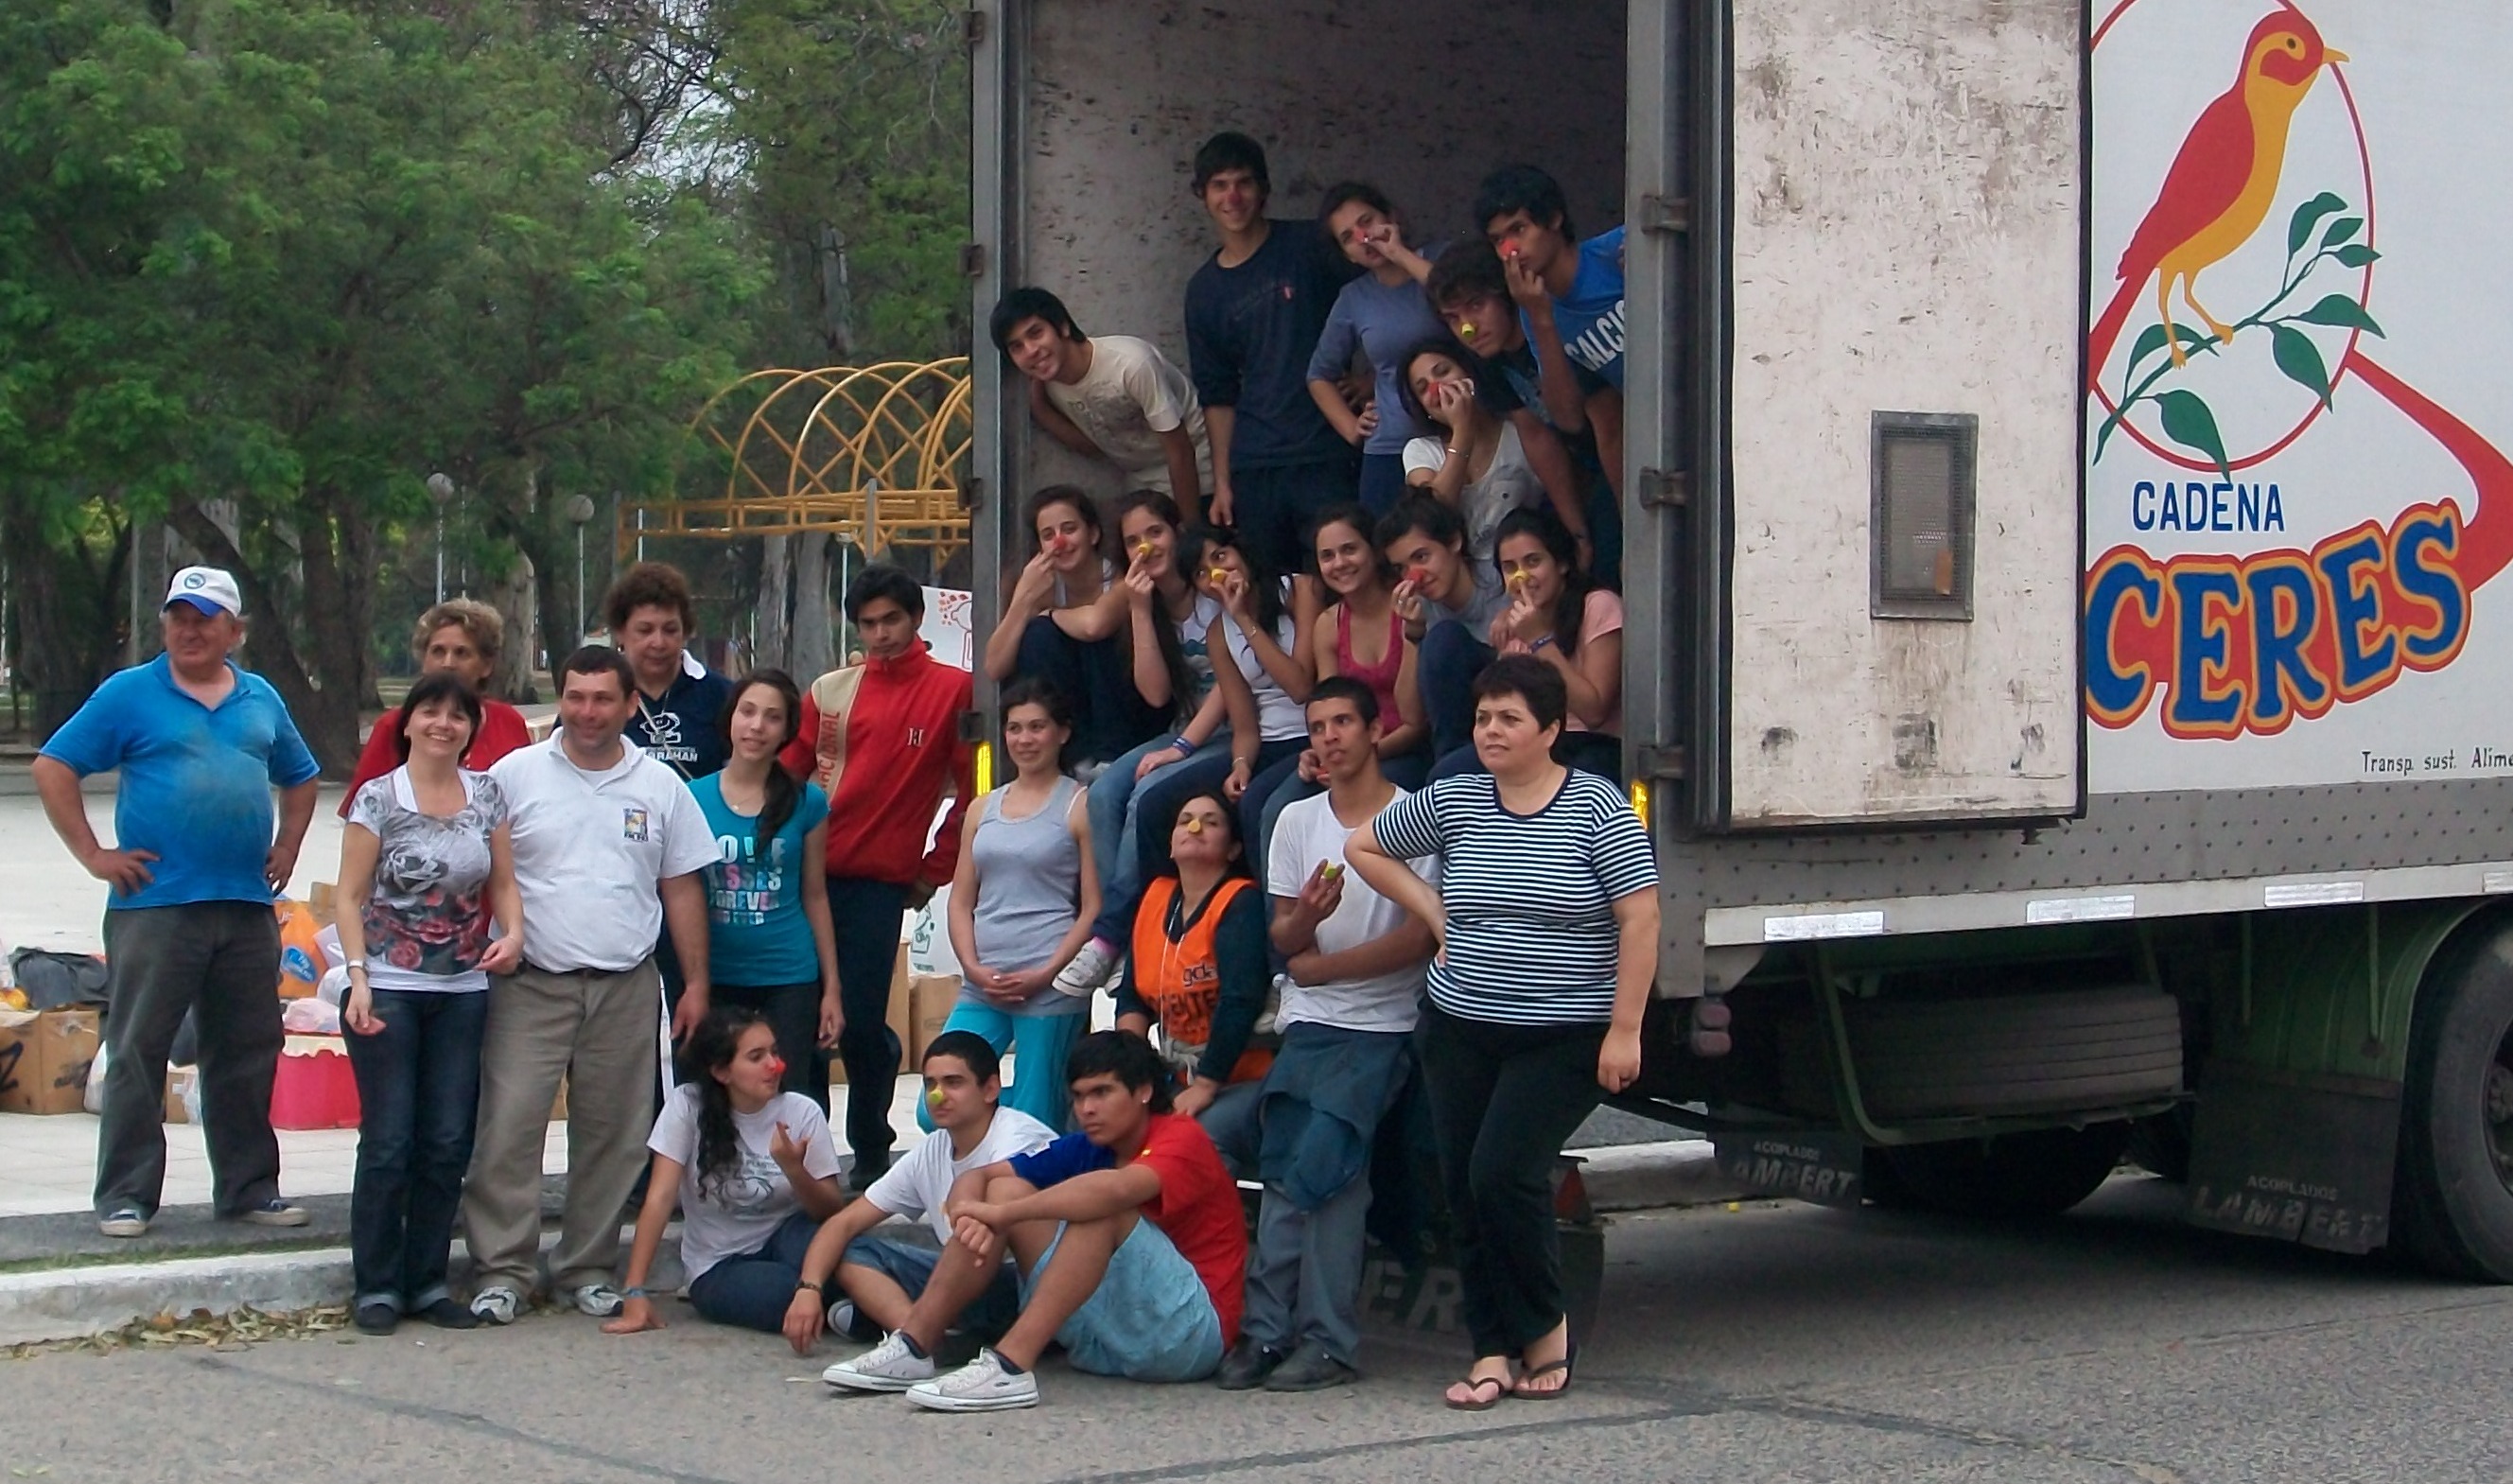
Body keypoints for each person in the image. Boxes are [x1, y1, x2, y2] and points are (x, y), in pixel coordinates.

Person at [1347, 655, 1660, 1408]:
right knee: (1461, 1188)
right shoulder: (1453, 799)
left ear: (1550, 730)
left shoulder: (1597, 808)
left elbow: (1640, 916)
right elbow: (1365, 846)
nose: (1490, 729)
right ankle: (1488, 1349)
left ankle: (1545, 1328)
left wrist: (1625, 1029)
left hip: (1563, 1032)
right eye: (1484, 716)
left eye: (1508, 717)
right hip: (1458, 1025)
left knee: (1503, 1174)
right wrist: (1429, 907)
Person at [32, 567, 321, 1238]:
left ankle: (250, 1188)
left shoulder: (259, 698)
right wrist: (95, 855)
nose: (189, 630)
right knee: (138, 1049)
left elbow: (301, 777)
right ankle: (127, 1195)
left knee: (248, 1047)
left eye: (205, 617)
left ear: (234, 631)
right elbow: (54, 766)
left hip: (246, 904)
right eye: (178, 617)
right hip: (156, 906)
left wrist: (289, 846)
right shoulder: (130, 693)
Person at [462, 644, 719, 1325]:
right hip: (531, 982)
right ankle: (503, 1270)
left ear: (631, 704)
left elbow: (682, 884)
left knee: (614, 1134)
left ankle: (587, 1266)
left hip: (626, 983)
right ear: (561, 699)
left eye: (603, 698)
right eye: (575, 696)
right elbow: (479, 868)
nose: (587, 712)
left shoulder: (659, 784)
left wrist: (694, 981)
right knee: (510, 1128)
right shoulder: (513, 775)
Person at [819, 1030, 1245, 1410]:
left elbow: (1117, 1191)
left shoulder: (1180, 1137)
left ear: (1144, 1092)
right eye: (1078, 1097)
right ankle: (914, 1346)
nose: (1086, 1109)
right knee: (1005, 1187)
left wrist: (1001, 1215)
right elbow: (981, 1174)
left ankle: (1010, 1366)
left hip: (1188, 1337)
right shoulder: (1087, 1145)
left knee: (1095, 1206)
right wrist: (971, 1211)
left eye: (1101, 1093)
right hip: (1103, 1338)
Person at [1218, 677, 1438, 1391]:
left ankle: (1328, 1340)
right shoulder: (1295, 820)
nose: (1329, 736)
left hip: (1381, 1025)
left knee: (1331, 1170)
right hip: (1309, 1024)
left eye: (1343, 721)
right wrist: (1306, 922)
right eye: (1316, 726)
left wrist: (1319, 967)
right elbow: (1283, 933)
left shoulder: (1413, 819)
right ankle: (1266, 1332)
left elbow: (1420, 934)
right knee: (1285, 1169)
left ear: (1376, 731)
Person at [335, 672, 523, 1335]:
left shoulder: (486, 794)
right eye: (431, 712)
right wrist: (358, 976)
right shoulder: (377, 799)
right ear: (406, 723)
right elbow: (348, 895)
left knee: (447, 1140)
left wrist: (515, 933)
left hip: (463, 987)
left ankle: (428, 1279)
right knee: (389, 1140)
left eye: (458, 714)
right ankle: (377, 1283)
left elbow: (502, 882)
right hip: (389, 984)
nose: (444, 723)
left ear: (472, 727)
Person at [780, 566, 975, 1190]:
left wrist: (932, 871)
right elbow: (783, 777)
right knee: (799, 1022)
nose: (881, 633)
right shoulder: (830, 690)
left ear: (916, 619)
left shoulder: (954, 689)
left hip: (875, 886)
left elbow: (975, 790)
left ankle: (870, 1148)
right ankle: (811, 1156)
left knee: (862, 1021)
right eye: (868, 623)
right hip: (802, 878)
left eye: (891, 619)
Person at [779, 1032, 1056, 1357]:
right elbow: (843, 1223)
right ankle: (921, 1342)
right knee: (851, 1250)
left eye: (954, 1082)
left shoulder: (1016, 1139)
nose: (938, 1096)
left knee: (974, 1229)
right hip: (965, 1280)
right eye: (930, 1084)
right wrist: (808, 1289)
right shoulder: (932, 1149)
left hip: (1031, 1286)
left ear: (991, 1089)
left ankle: (915, 1338)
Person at [1052, 493, 1224, 996]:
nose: (1146, 548)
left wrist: (1183, 751)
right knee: (1103, 793)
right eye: (1132, 542)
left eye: (1155, 533)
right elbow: (1155, 692)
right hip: (1183, 728)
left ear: (1177, 532)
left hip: (1227, 731)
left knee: (1147, 796)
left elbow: (1236, 691)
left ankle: (1109, 933)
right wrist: (1141, 611)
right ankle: (1120, 937)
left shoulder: (1210, 592)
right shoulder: (1144, 605)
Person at [604, 1006, 846, 1336]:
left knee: (851, 1262)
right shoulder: (686, 1106)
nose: (774, 1066)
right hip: (720, 1264)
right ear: (722, 1072)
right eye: (756, 1057)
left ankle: (881, 1310)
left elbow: (832, 1211)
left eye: (774, 1052)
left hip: (789, 1234)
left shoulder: (801, 1110)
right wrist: (634, 1290)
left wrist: (794, 1170)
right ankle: (862, 1314)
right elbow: (659, 1200)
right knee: (792, 1294)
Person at [1180, 131, 1358, 573]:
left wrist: (1374, 380)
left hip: (1327, 451)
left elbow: (1377, 298)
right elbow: (1218, 395)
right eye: (1219, 185)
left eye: (1243, 182)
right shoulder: (1203, 292)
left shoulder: (1310, 246)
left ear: (1264, 190)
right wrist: (1222, 482)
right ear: (1202, 195)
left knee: (1340, 580)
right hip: (1255, 464)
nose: (1233, 196)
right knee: (1270, 592)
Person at [936, 679, 1098, 1129]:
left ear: (1062, 733)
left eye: (1037, 727)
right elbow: (960, 900)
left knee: (1035, 1115)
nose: (1024, 740)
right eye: (1014, 728)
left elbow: (1093, 907)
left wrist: (1048, 973)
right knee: (938, 1103)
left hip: (1048, 981)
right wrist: (971, 967)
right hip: (983, 980)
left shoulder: (1080, 804)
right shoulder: (982, 807)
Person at [1425, 241, 1621, 585]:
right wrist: (1577, 531)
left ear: (1507, 295)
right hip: (1586, 470)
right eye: (1453, 318)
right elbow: (1537, 436)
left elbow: (1606, 423)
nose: (1467, 328)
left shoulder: (1555, 324)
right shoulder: (1486, 358)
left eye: (1476, 305)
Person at [689, 671, 841, 1109]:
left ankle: (798, 1177)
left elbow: (815, 894)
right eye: (748, 712)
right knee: (715, 1097)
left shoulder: (807, 801)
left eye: (772, 718)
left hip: (788, 974)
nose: (757, 726)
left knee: (790, 1094)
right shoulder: (691, 798)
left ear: (787, 731)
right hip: (716, 973)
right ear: (730, 719)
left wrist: (831, 989)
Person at [1257, 503, 1430, 851]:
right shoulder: (1328, 623)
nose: (1339, 563)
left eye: (1349, 549)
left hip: (1408, 751)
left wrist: (1358, 756)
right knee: (1268, 806)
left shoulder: (1410, 605)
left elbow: (1416, 724)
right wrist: (1318, 751)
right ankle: (1284, 906)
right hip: (1349, 753)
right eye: (1327, 556)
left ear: (1374, 550)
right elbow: (1328, 706)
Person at [1113, 789, 1271, 1170]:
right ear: (1169, 844)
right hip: (1174, 1077)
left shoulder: (1240, 902)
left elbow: (1240, 1000)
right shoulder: (1154, 897)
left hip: (1239, 1078)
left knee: (1187, 1144)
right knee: (1104, 1123)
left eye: (1211, 822)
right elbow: (1133, 995)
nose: (1194, 827)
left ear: (1233, 849)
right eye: (1184, 821)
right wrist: (1125, 1066)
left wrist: (1206, 1085)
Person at [979, 485, 1166, 776]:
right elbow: (993, 667)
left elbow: (1095, 625)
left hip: (1130, 708)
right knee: (1037, 636)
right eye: (1048, 535)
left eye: (1069, 529)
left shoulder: (1120, 576)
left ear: (1092, 534)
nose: (1060, 541)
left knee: (1091, 638)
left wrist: (1050, 613)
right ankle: (1071, 758)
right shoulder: (1039, 585)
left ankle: (1108, 758)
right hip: (1072, 710)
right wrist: (1022, 599)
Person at [1475, 165, 1627, 510]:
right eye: (1498, 240)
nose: (1510, 249)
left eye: (1519, 229)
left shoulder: (1617, 252)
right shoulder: (1534, 313)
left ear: (1554, 219)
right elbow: (1573, 418)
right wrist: (1543, 319)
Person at [993, 288, 1213, 509]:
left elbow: (1181, 452)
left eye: (1036, 333)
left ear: (1063, 327)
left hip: (1202, 472)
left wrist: (1192, 530)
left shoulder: (1131, 365)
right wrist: (1040, 408)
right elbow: (1096, 445)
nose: (1030, 350)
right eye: (1017, 346)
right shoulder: (1049, 385)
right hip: (1146, 490)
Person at [1302, 183, 1445, 515]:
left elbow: (1457, 293)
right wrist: (1352, 428)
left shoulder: (1440, 259)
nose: (1363, 238)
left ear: (1392, 217)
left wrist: (1400, 255)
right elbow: (1319, 374)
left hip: (1459, 431)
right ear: (1346, 255)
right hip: (1391, 445)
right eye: (1348, 237)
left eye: (1366, 222)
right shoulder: (1354, 298)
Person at [337, 600, 534, 814]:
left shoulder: (509, 722)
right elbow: (360, 815)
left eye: (461, 653)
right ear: (423, 659)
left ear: (486, 666)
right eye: (438, 651)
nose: (448, 663)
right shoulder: (394, 725)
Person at [1396, 336, 1581, 564]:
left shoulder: (1520, 433)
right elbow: (1432, 515)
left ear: (1469, 372)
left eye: (1443, 371)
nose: (1437, 388)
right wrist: (1462, 430)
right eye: (1422, 388)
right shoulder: (1420, 450)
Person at [1492, 508, 1624, 780]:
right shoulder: (1512, 624)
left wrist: (1540, 641)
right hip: (1533, 744)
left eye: (1533, 561)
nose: (1521, 577)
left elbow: (1594, 712)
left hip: (1594, 745)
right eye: (1510, 567)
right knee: (1452, 770)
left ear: (1561, 563)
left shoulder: (1598, 605)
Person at [1376, 497, 1510, 764]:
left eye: (1422, 557)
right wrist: (1413, 635)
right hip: (1463, 731)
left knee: (1445, 637)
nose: (1415, 576)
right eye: (1402, 568)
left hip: (1514, 715)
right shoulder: (1419, 606)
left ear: (1454, 542)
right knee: (1440, 639)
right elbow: (1411, 716)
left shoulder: (1501, 577)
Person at [608, 562, 737, 782]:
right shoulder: (597, 696)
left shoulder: (722, 696)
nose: (658, 642)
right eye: (645, 630)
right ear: (620, 632)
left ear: (686, 631)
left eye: (670, 630)